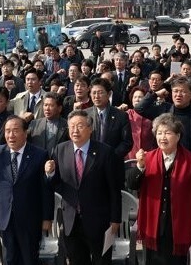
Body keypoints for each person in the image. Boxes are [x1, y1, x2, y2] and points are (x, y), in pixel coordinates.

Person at [127, 114, 191, 265]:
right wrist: (140, 167)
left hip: (181, 225)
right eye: (159, 133)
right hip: (154, 224)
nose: (162, 137)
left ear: (178, 136)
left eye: (167, 133)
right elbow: (132, 184)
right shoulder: (147, 158)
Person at [45, 110, 123, 265]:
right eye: (72, 126)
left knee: (101, 261)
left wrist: (115, 218)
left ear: (90, 128)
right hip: (71, 221)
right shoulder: (60, 149)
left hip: (99, 220)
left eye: (80, 126)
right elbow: (56, 184)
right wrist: (50, 173)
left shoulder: (105, 152)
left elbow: (114, 188)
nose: (75, 130)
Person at [0, 116, 53, 265]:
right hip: (5, 217)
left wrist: (47, 217)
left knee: (29, 259)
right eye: (8, 131)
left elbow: (46, 189)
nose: (11, 135)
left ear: (25, 133)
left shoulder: (39, 154)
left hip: (30, 218)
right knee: (10, 259)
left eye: (16, 131)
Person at [127, 88, 157, 160]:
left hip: (149, 156)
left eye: (140, 97)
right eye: (135, 97)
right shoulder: (126, 114)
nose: (137, 99)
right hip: (129, 157)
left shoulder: (152, 115)